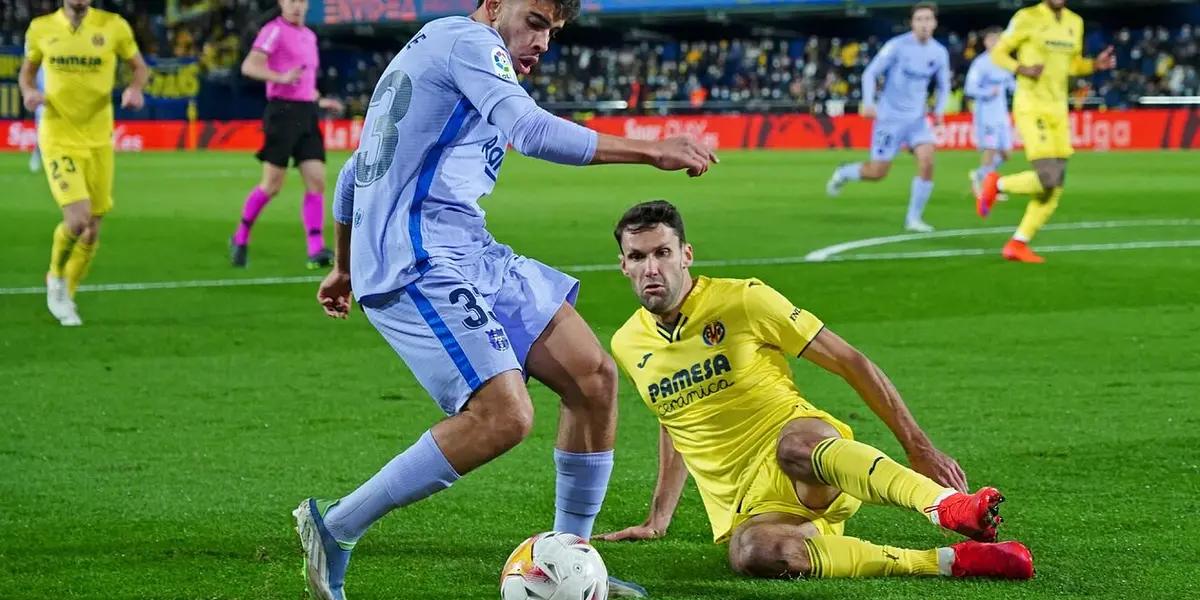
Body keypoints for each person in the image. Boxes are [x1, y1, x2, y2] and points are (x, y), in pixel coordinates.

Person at [295, 1, 716, 599]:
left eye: (553, 30)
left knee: (593, 378)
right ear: (493, 6)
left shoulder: (446, 53)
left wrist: (341, 264)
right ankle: (335, 525)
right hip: (420, 259)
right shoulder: (471, 43)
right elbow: (533, 130)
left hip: (467, 246)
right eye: (536, 22)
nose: (543, 41)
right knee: (505, 416)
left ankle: (572, 561)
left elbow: (355, 171)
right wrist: (651, 150)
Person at [599, 200, 1034, 582]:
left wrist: (919, 448)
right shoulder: (626, 343)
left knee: (795, 445)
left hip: (807, 462)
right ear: (623, 265)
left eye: (662, 253)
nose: (651, 268)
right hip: (750, 504)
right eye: (637, 257)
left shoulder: (744, 300)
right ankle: (952, 561)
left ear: (686, 255)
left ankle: (947, 506)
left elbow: (850, 361)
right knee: (756, 554)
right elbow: (675, 422)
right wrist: (658, 517)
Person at [19, 0, 149, 326]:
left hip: (99, 140)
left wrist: (135, 89)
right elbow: (27, 74)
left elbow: (139, 68)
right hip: (58, 137)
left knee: (92, 231)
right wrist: (29, 92)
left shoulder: (114, 26)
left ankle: (68, 292)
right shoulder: (41, 29)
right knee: (77, 220)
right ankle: (55, 279)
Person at [975, 0, 1115, 263]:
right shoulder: (1026, 17)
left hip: (1058, 109)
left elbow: (1072, 65)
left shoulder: (1075, 22)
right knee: (1048, 176)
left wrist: (1094, 65)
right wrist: (1021, 68)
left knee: (1055, 185)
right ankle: (996, 183)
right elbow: (999, 53)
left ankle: (1018, 243)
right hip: (1031, 105)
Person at [230, 0, 344, 269]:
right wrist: (279, 78)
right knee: (272, 185)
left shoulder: (309, 36)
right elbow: (249, 66)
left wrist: (320, 100)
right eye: (290, 1)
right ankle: (240, 236)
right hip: (282, 114)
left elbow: (305, 81)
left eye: (301, 1)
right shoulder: (274, 30)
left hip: (306, 114)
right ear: (281, 3)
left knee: (316, 181)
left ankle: (315, 250)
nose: (296, 6)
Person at [825, 2, 951, 234]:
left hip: (917, 120)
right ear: (912, 23)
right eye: (919, 19)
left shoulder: (939, 52)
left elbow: (944, 85)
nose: (924, 24)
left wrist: (940, 109)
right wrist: (869, 102)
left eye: (928, 19)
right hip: (890, 119)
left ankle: (913, 219)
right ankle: (845, 172)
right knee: (877, 173)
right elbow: (870, 73)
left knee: (927, 160)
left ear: (935, 23)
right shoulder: (897, 46)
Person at [965, 27, 1016, 198]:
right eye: (991, 39)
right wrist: (987, 92)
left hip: (1001, 115)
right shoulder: (980, 63)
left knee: (1006, 154)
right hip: (986, 117)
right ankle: (988, 189)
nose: (995, 43)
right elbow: (970, 88)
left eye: (998, 39)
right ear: (985, 42)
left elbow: (1012, 85)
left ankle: (978, 175)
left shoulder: (1005, 62)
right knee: (991, 149)